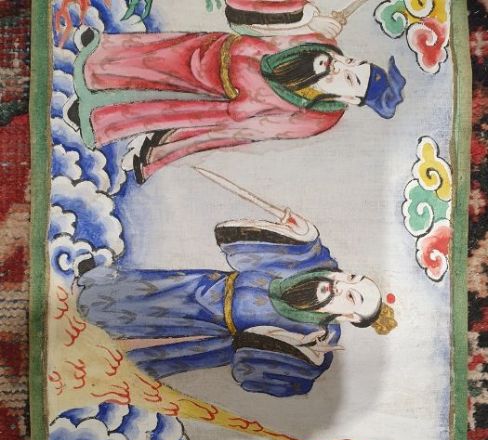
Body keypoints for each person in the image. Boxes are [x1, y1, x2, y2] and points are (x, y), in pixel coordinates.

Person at [64, 0, 406, 182]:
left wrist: (241, 104)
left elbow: (263, 126)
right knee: (152, 57)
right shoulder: (323, 42)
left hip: (221, 97)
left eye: (350, 80)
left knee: (158, 103)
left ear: (350, 100)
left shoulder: (321, 117)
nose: (340, 67)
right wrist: (305, 19)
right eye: (352, 63)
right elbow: (251, 19)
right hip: (215, 50)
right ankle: (96, 56)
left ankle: (94, 116)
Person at [76, 204, 396, 397]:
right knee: (150, 288)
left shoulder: (321, 341)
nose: (340, 284)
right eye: (350, 278)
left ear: (350, 318)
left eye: (351, 295)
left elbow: (290, 377)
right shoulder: (319, 267)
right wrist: (303, 233)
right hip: (210, 285)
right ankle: (96, 287)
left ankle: (98, 362)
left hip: (214, 335)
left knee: (154, 338)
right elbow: (309, 249)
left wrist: (304, 353)